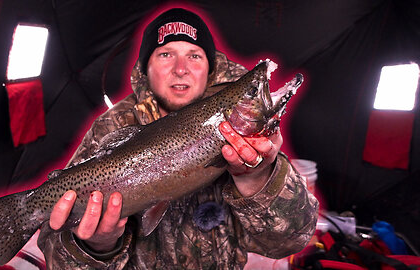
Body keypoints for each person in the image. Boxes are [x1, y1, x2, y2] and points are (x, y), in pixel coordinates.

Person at [37, 8, 319, 269]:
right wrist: (95, 246)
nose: (180, 68)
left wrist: (257, 178)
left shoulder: (251, 141)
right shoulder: (110, 127)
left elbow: (291, 241)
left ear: (210, 67)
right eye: (165, 54)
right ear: (145, 70)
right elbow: (54, 251)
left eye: (194, 55)